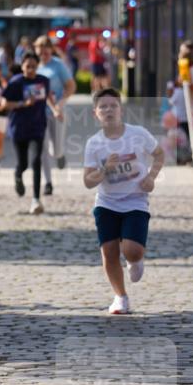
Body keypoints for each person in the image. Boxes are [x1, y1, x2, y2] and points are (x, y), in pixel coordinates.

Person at [83, 87, 164, 315]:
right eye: (103, 107)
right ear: (95, 113)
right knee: (109, 252)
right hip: (106, 203)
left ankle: (135, 260)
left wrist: (150, 177)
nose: (108, 110)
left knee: (132, 251)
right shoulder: (94, 143)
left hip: (135, 200)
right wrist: (104, 170)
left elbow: (159, 154)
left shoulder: (138, 134)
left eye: (113, 106)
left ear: (121, 110)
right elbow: (88, 181)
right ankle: (120, 297)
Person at [0, 52, 52, 214]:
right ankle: (18, 176)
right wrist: (23, 103)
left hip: (38, 126)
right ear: (22, 66)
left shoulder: (43, 81)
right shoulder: (16, 82)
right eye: (27, 66)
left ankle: (36, 200)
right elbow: (4, 105)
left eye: (33, 66)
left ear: (38, 66)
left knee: (36, 161)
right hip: (19, 127)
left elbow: (48, 98)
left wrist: (56, 108)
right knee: (23, 164)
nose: (30, 69)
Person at [35, 35, 75, 195]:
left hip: (57, 111)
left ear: (51, 50)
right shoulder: (33, 66)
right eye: (41, 51)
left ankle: (60, 155)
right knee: (42, 148)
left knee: (56, 149)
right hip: (38, 113)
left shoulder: (58, 65)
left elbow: (71, 86)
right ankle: (48, 182)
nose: (44, 54)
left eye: (46, 51)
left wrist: (60, 104)